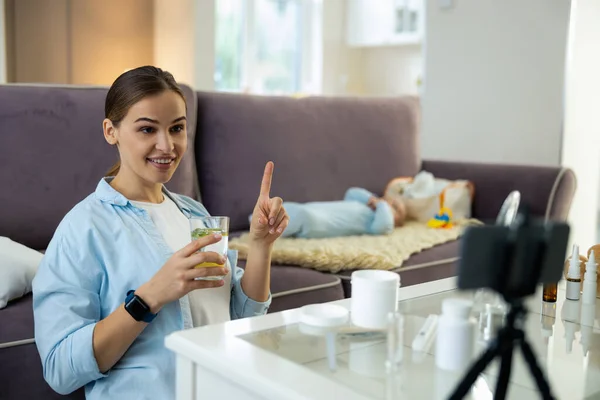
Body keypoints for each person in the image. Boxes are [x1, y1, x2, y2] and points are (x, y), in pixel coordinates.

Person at [32, 66, 289, 399]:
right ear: (111, 131)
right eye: (147, 129)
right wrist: (149, 297)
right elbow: (60, 370)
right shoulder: (82, 229)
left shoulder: (195, 214)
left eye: (177, 128)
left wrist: (261, 246)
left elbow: (238, 316)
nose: (167, 145)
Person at [275, 187, 406, 239]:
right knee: (291, 208)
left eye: (394, 206)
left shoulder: (375, 222)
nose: (389, 202)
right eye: (388, 200)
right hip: (319, 209)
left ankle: (267, 232)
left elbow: (384, 226)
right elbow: (351, 192)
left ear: (397, 221)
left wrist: (382, 205)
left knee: (303, 216)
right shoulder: (365, 204)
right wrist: (371, 199)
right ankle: (257, 220)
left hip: (322, 222)